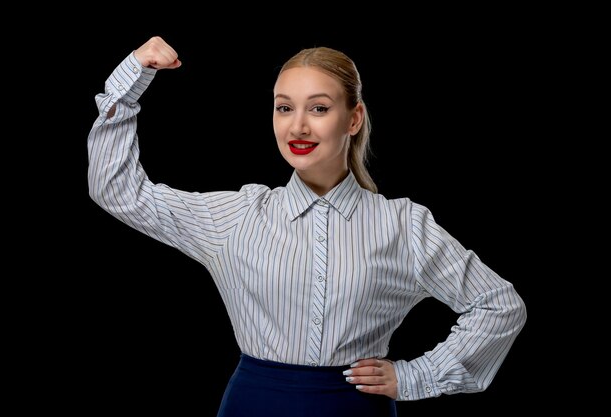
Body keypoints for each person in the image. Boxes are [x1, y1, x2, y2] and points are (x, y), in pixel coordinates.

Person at [87, 36, 526, 417]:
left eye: (319, 108)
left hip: (356, 413)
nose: (298, 125)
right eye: (284, 108)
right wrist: (131, 81)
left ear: (353, 119)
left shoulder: (403, 226)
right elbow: (119, 191)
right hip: (252, 408)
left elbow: (499, 305)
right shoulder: (237, 216)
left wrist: (417, 377)